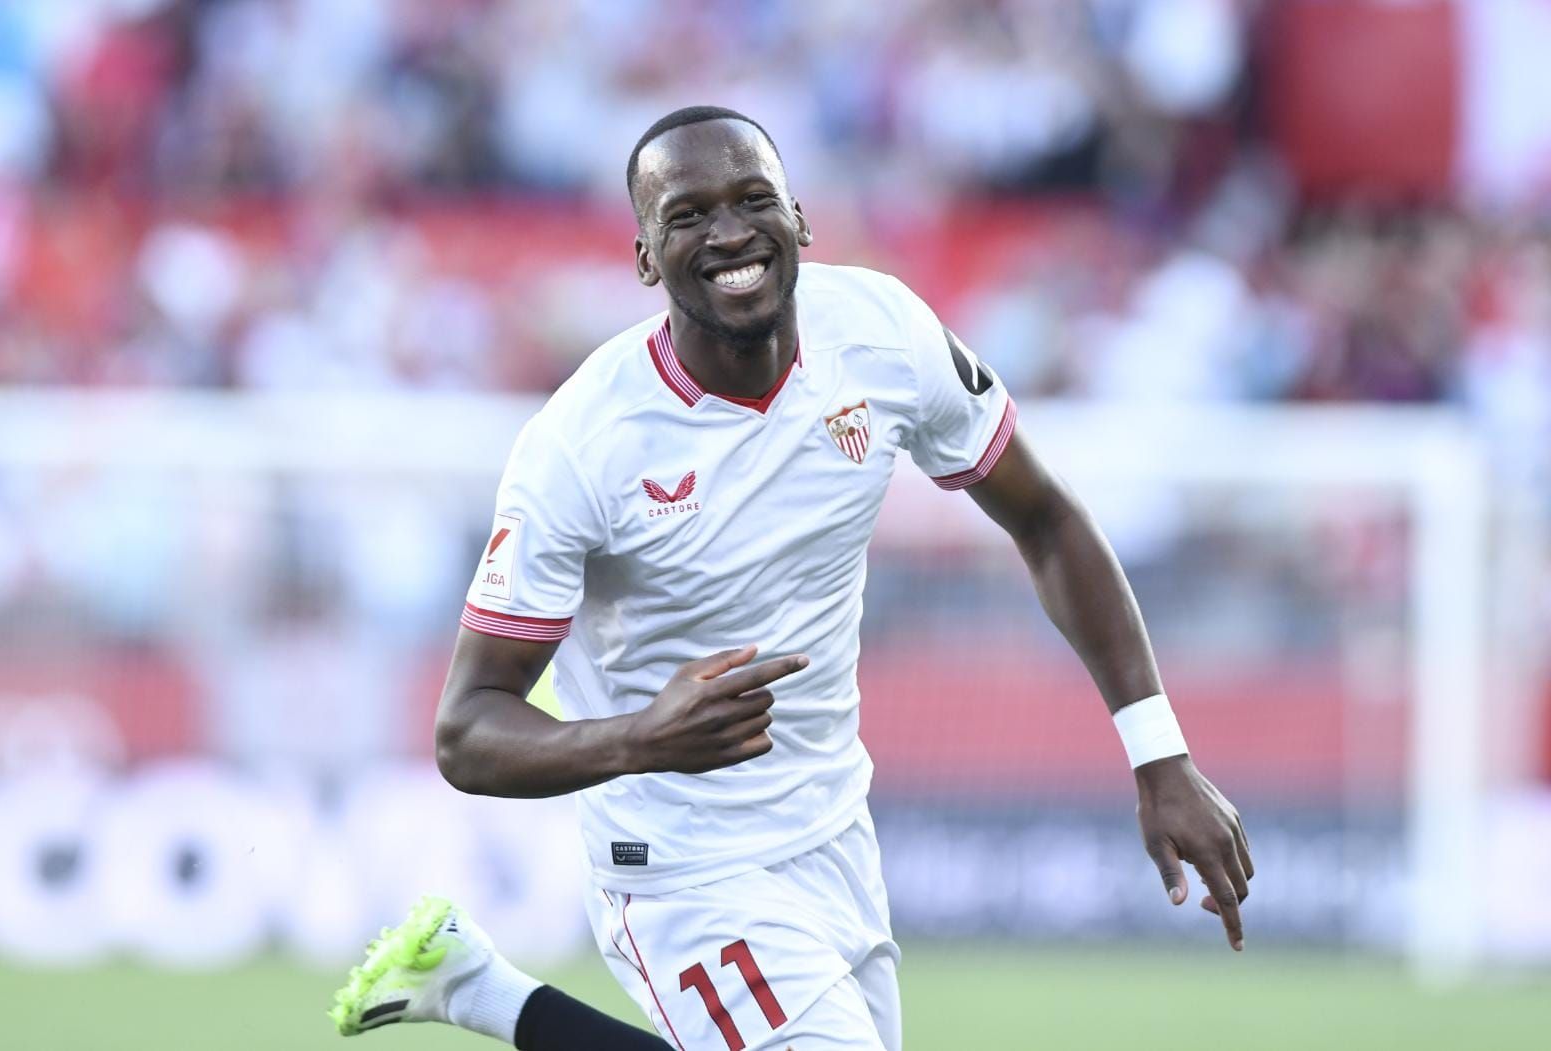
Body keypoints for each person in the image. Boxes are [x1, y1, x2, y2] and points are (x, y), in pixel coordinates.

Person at [330, 105, 1254, 1050]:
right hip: (679, 868)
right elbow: (467, 730)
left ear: (799, 217)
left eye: (752, 199)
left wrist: (1160, 753)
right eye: (688, 215)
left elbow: (1046, 518)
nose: (730, 232)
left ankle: (479, 988)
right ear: (645, 258)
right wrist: (641, 738)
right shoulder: (581, 445)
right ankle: (481, 990)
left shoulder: (883, 336)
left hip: (834, 833)